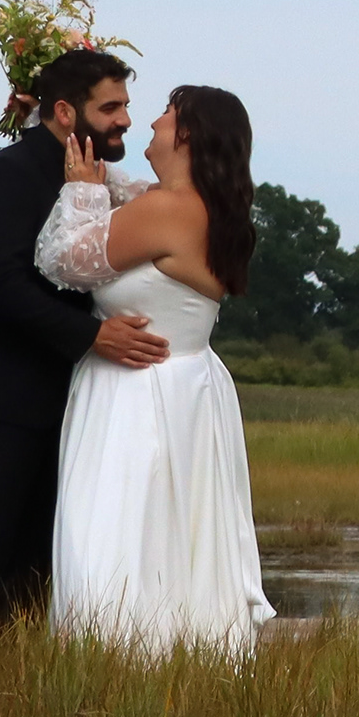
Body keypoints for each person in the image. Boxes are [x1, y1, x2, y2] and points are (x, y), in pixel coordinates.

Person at [0, 48, 169, 626]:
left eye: (126, 106)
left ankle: (25, 663)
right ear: (64, 112)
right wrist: (93, 336)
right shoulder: (7, 175)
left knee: (47, 551)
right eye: (110, 108)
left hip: (69, 397)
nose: (125, 120)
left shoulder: (102, 180)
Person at [37, 85, 275, 654]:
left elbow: (63, 261)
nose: (150, 122)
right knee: (172, 541)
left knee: (113, 538)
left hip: (139, 397)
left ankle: (119, 659)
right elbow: (126, 192)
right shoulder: (204, 208)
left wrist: (81, 192)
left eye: (166, 114)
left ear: (187, 133)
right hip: (190, 390)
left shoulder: (165, 211)